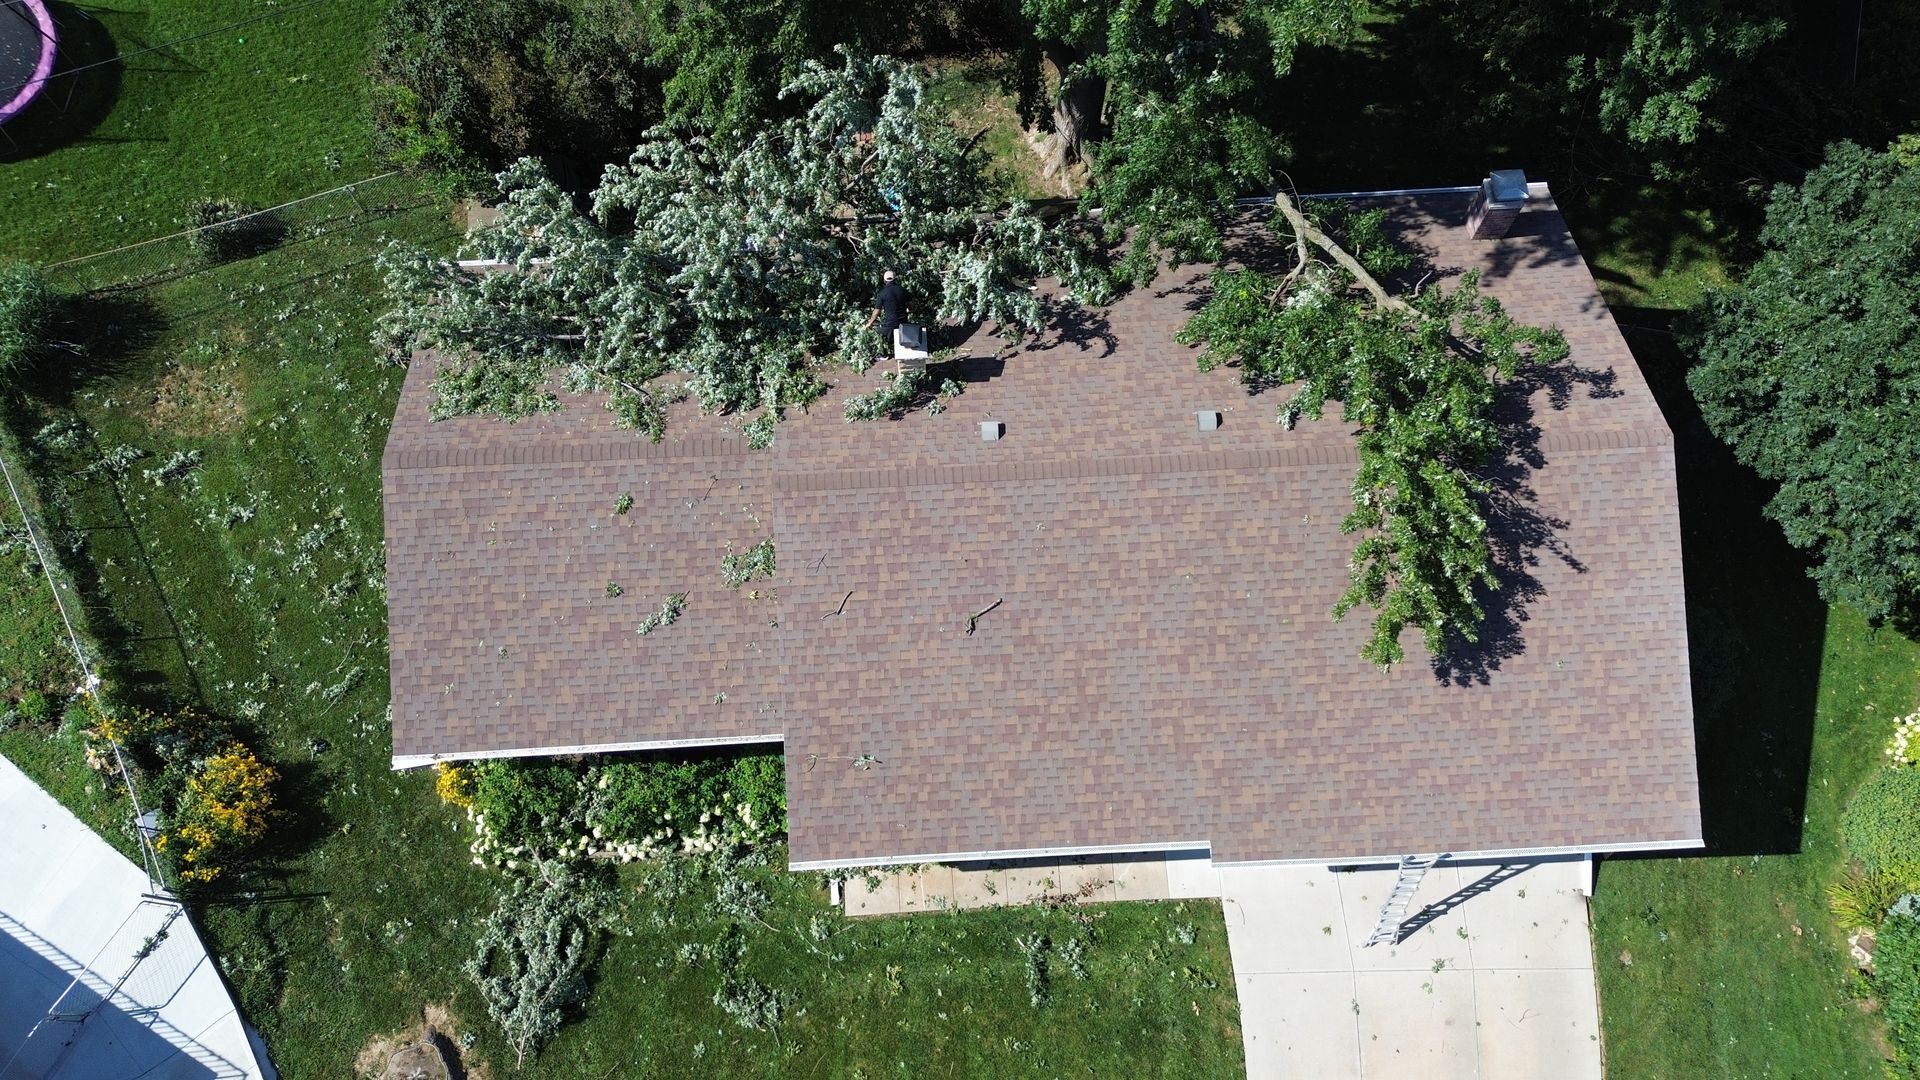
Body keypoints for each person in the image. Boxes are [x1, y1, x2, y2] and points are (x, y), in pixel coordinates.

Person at [865, 270, 907, 353]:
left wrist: (869, 323)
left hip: (890, 326)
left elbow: (876, 312)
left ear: (884, 281)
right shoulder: (903, 290)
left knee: (875, 331)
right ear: (895, 279)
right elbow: (912, 306)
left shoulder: (882, 293)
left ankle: (883, 354)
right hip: (904, 324)